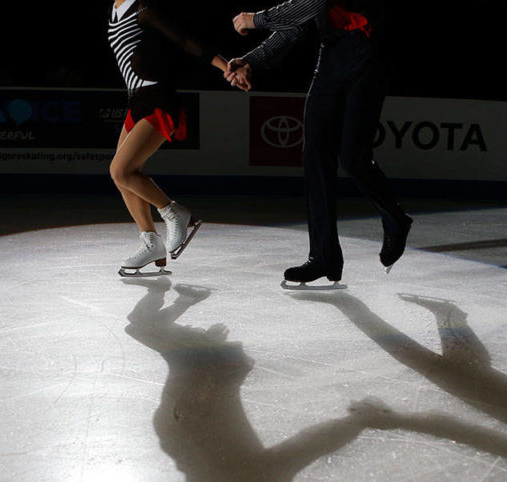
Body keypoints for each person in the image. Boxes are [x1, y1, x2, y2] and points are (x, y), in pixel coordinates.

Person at [226, 0, 412, 285]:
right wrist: (253, 59)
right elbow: (297, 22)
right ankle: (324, 256)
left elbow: (315, 2)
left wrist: (256, 19)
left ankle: (395, 218)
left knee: (353, 157)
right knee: (314, 155)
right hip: (332, 53)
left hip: (368, 51)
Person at [109, 0, 247, 276]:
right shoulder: (115, 9)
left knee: (121, 171)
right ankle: (151, 243)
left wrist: (225, 66)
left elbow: (184, 40)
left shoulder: (143, 8)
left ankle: (174, 213)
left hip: (158, 98)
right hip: (136, 102)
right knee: (123, 176)